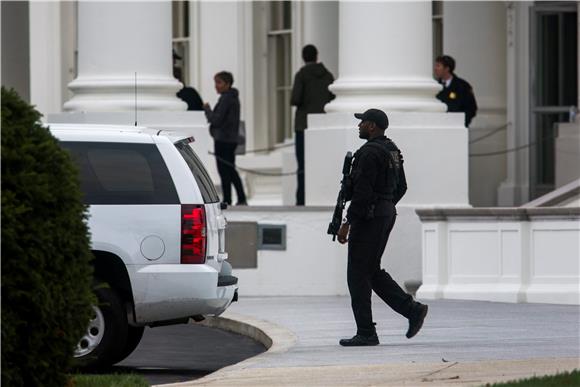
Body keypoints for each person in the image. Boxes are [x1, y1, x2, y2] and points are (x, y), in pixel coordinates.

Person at [336, 108, 428, 346]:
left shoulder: (368, 153)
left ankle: (367, 332)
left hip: (370, 218)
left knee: (357, 274)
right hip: (384, 214)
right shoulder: (392, 150)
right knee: (371, 271)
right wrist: (386, 203)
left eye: (362, 123)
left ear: (372, 126)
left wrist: (347, 223)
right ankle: (411, 310)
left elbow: (362, 194)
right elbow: (402, 187)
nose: (359, 126)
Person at [291, 44, 335, 206]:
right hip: (322, 125)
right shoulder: (328, 75)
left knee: (303, 166)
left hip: (303, 125)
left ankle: (302, 199)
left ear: (303, 57)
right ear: (316, 56)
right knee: (321, 162)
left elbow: (295, 99)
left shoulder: (301, 75)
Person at [203, 71, 247, 206]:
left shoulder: (226, 99)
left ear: (227, 84)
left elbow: (216, 120)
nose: (216, 86)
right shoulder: (233, 98)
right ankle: (237, 198)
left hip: (223, 140)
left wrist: (207, 109)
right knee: (229, 170)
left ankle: (231, 199)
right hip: (230, 140)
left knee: (226, 170)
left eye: (219, 82)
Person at [434, 55, 478, 127]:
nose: (435, 69)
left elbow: (471, 108)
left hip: (457, 126)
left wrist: (463, 122)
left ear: (447, 69)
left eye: (438, 66)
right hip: (439, 126)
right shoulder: (435, 86)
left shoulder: (463, 86)